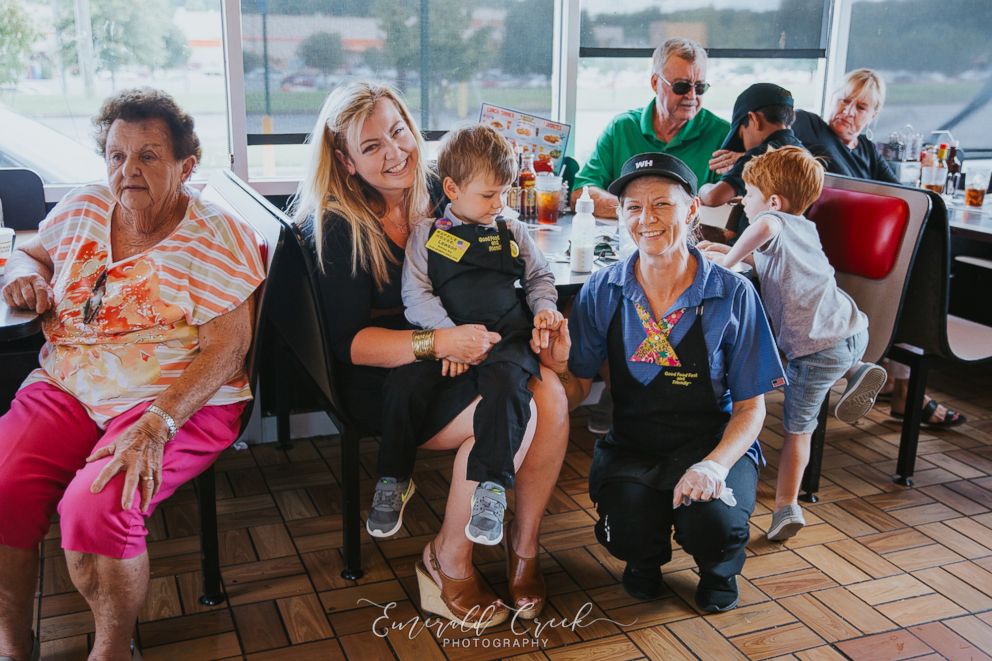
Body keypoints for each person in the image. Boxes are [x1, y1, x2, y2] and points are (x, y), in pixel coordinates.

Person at [0, 88, 264, 660]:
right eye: (117, 155)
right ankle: (12, 642)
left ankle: (112, 650)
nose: (128, 170)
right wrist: (23, 274)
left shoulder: (216, 235)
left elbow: (229, 346)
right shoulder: (85, 206)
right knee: (2, 486)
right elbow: (32, 251)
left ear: (185, 166)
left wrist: (157, 423)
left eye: (148, 156)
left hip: (174, 397)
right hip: (70, 381)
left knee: (96, 505)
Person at [293, 81, 568, 626]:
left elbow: (500, 277)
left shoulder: (444, 194)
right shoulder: (338, 227)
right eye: (371, 146)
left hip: (465, 353)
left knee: (553, 392)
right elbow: (351, 346)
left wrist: (535, 324)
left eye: (398, 132)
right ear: (346, 162)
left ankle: (524, 546)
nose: (394, 152)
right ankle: (446, 560)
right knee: (514, 413)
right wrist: (440, 341)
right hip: (391, 377)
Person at [545, 152, 784, 612]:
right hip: (634, 444)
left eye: (662, 204)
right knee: (627, 528)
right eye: (633, 207)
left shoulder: (732, 293)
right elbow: (577, 385)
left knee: (714, 525)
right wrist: (555, 371)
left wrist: (715, 466)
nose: (646, 218)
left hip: (712, 441)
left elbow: (752, 408)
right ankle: (644, 559)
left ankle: (719, 567)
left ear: (692, 209)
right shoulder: (604, 289)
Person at [370, 125, 562, 547]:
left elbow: (539, 279)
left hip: (505, 339)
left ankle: (491, 489)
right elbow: (414, 295)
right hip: (446, 335)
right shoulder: (427, 233)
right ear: (453, 189)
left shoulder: (512, 230)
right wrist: (449, 335)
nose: (500, 204)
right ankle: (394, 476)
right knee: (403, 384)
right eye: (489, 195)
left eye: (505, 193)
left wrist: (546, 308)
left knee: (509, 390)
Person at [701, 146, 888, 541]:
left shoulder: (770, 221)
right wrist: (726, 252)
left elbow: (763, 232)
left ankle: (787, 507)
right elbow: (770, 262)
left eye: (747, 195)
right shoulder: (805, 227)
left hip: (815, 351)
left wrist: (728, 257)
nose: (742, 202)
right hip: (853, 331)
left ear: (772, 201)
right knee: (837, 361)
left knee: (797, 430)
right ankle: (857, 370)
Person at [791, 69, 965, 427]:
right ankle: (902, 391)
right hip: (830, 261)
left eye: (861, 107)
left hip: (869, 261)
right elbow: (775, 134)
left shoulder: (868, 149)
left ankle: (899, 386)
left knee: (918, 279)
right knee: (912, 285)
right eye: (844, 100)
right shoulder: (811, 128)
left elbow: (907, 198)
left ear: (874, 116)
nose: (849, 111)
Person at [571, 37, 730, 218]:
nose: (692, 95)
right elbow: (581, 193)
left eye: (700, 87)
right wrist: (636, 212)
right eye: (681, 86)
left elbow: (730, 209)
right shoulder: (621, 128)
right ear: (655, 83)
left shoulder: (723, 135)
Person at [698, 83, 805, 239]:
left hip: (755, 250)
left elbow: (714, 197)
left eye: (741, 135)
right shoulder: (801, 152)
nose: (744, 148)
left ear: (754, 119)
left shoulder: (761, 155)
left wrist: (702, 189)